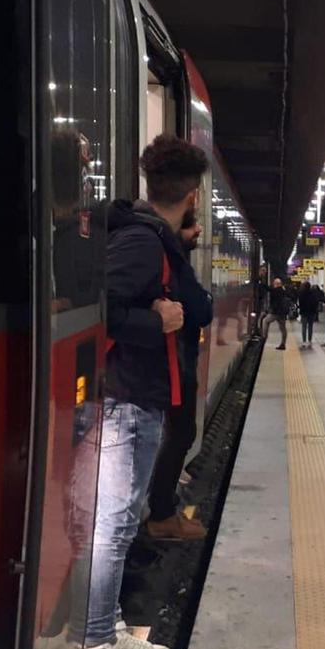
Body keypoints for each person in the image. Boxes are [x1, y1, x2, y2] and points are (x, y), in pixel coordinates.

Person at [75, 134, 205, 649]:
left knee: (121, 522)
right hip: (126, 400)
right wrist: (159, 323)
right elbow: (100, 305)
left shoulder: (153, 235)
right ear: (194, 193)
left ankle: (106, 628)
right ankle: (96, 648)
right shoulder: (141, 239)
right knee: (112, 525)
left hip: (137, 396)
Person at [144, 213, 213, 542]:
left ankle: (161, 508)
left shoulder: (169, 253)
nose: (199, 229)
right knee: (180, 432)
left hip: (174, 361)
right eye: (192, 225)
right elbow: (201, 308)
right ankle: (161, 513)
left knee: (179, 433)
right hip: (172, 363)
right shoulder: (170, 255)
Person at [262, 277, 290, 350]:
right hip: (283, 313)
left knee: (265, 321)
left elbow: (268, 289)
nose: (273, 284)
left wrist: (261, 281)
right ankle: (283, 344)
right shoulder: (283, 291)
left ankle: (264, 337)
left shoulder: (276, 290)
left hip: (276, 312)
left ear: (277, 284)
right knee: (283, 328)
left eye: (274, 283)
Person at [297, 280, 321, 348]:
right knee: (310, 327)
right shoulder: (313, 294)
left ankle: (304, 341)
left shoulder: (301, 293)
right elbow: (316, 302)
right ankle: (309, 341)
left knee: (304, 327)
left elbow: (300, 303)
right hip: (312, 312)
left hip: (304, 312)